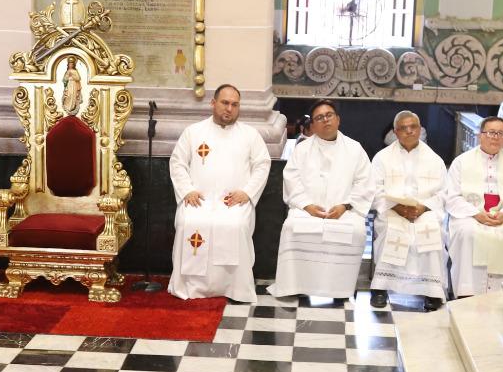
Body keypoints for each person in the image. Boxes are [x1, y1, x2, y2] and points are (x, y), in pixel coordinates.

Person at [168, 84, 271, 303]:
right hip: (199, 200)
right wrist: (187, 190)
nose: (229, 109)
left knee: (235, 225)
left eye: (235, 104)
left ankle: (234, 288)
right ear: (213, 103)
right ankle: (190, 287)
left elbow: (262, 164)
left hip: (233, 202)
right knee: (189, 222)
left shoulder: (250, 135)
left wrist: (247, 192)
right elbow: (177, 163)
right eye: (225, 103)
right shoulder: (193, 132)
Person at [268, 99, 372, 303]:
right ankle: (295, 285)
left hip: (343, 210)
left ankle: (339, 288)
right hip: (308, 210)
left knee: (357, 231)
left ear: (338, 119)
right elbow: (291, 179)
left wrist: (345, 205)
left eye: (329, 115)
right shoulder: (302, 149)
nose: (325, 120)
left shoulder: (355, 149)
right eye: (319, 118)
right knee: (291, 227)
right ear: (313, 125)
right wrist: (307, 206)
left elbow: (365, 182)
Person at [369, 111, 447, 311]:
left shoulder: (434, 159)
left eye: (413, 127)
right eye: (403, 128)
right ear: (395, 132)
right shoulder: (382, 158)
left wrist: (423, 207)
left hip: (424, 210)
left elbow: (443, 192)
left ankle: (432, 291)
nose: (409, 131)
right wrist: (398, 207)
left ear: (420, 130)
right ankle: (380, 288)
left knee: (432, 230)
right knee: (390, 229)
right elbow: (374, 190)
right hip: (393, 209)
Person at [445, 117, 503, 297]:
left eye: (500, 133)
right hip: (470, 214)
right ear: (480, 135)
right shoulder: (461, 161)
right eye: (491, 132)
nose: (495, 137)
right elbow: (452, 196)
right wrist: (476, 213)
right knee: (468, 233)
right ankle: (467, 291)